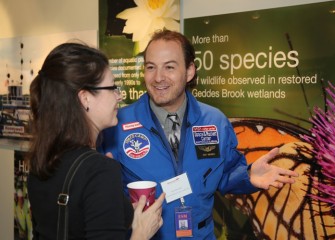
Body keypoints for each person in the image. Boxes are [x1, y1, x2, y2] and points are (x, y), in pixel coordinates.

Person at [98, 29, 299, 239]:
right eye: (151, 67)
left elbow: (225, 174)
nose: (158, 77)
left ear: (189, 71)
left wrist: (248, 176)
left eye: (169, 67)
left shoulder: (215, 122)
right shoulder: (117, 124)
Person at [27, 42, 165, 240]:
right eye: (112, 88)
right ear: (85, 98)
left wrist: (119, 212)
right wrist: (142, 233)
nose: (119, 96)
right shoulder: (99, 170)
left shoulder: (42, 161)